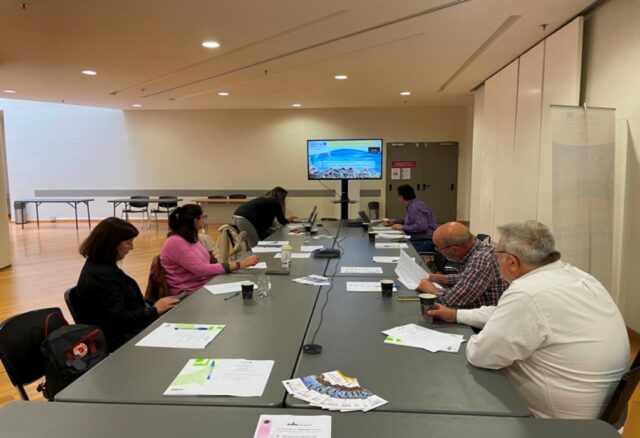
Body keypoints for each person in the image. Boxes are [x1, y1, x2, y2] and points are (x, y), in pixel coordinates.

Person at [428, 221, 629, 419]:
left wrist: (471, 338)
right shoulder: (577, 276)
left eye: (497, 254)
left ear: (512, 262)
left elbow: (482, 355)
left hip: (552, 420)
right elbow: (506, 313)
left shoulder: (527, 292)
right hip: (597, 411)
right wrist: (456, 315)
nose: (495, 259)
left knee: (452, 386)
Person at [75, 217, 179, 352]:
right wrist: (154, 310)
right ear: (112, 244)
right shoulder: (100, 276)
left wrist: (155, 305)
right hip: (121, 340)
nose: (132, 248)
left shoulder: (103, 267)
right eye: (128, 243)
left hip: (129, 330)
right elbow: (118, 320)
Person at [161, 204, 259, 294]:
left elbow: (207, 263)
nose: (205, 219)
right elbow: (201, 269)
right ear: (195, 220)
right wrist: (239, 264)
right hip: (189, 292)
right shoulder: (175, 242)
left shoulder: (193, 238)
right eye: (203, 216)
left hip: (204, 285)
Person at [417, 222, 507, 308]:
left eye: (438, 248)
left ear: (455, 250)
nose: (438, 251)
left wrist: (431, 289)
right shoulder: (478, 247)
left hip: (479, 316)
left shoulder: (481, 260)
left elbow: (450, 301)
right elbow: (468, 276)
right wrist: (440, 278)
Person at [383, 184, 437, 253]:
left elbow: (421, 226)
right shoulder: (414, 204)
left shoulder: (415, 207)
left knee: (396, 251)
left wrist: (403, 227)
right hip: (421, 239)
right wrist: (395, 221)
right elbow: (412, 222)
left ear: (401, 197)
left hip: (424, 241)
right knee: (394, 246)